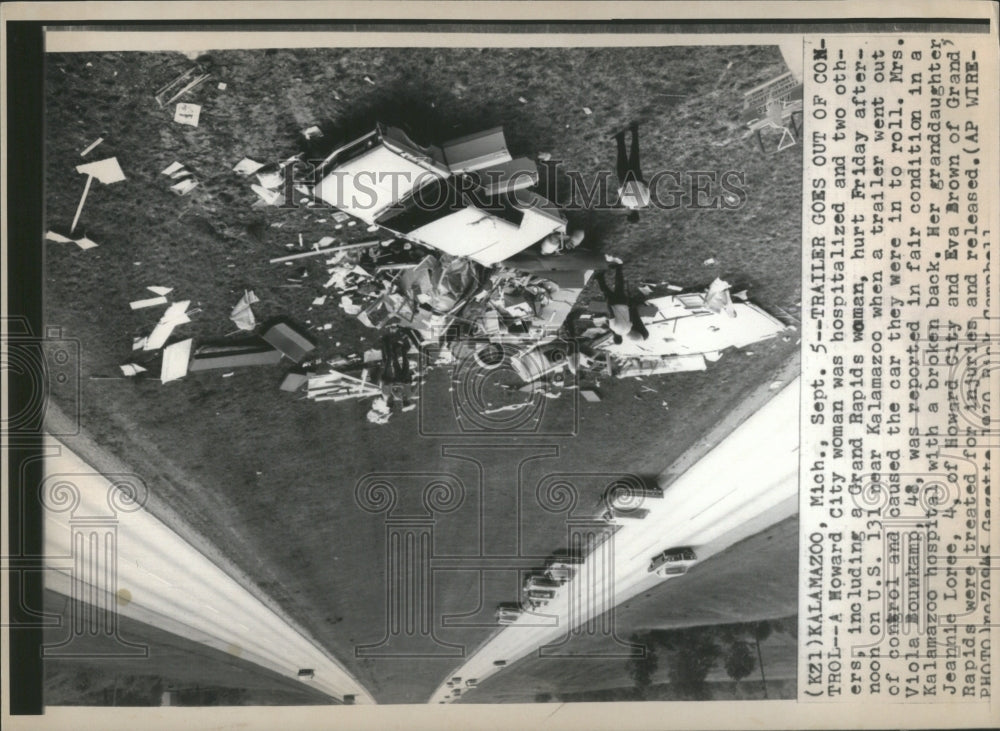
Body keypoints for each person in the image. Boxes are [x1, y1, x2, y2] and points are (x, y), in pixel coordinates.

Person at [597, 264, 649, 344]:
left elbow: (631, 319)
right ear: (614, 337)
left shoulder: (628, 329)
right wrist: (608, 305)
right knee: (606, 291)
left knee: (619, 285)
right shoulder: (614, 328)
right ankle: (599, 277)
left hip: (624, 303)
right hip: (614, 304)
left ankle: (618, 268)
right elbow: (611, 315)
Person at [613, 122, 650, 223]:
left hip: (637, 177)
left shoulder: (645, 202)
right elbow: (621, 187)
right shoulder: (626, 202)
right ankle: (620, 138)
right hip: (625, 179)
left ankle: (634, 130)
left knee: (635, 154)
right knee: (622, 158)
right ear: (629, 213)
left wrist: (640, 181)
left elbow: (647, 186)